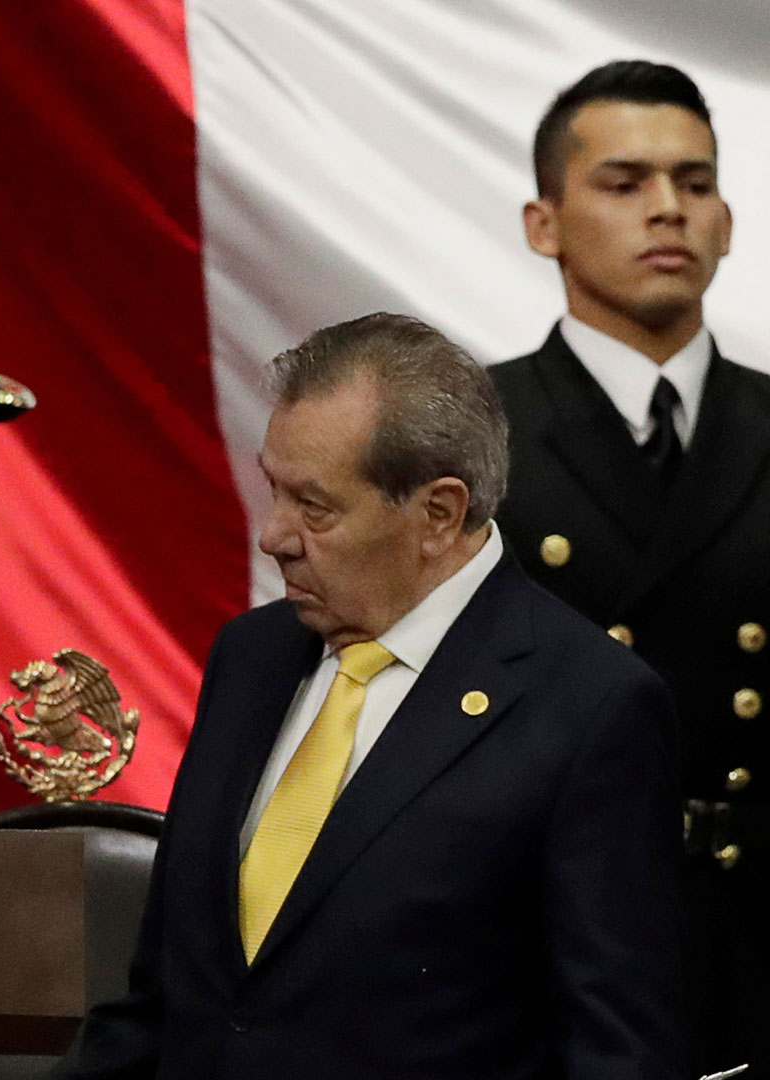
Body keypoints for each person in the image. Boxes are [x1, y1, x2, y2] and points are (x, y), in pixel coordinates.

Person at [59, 314, 682, 1078]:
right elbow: (160, 1002)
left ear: (438, 513)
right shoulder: (249, 658)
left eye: (313, 507)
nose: (274, 536)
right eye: (274, 491)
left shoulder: (591, 708)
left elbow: (617, 1053)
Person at [492, 59, 767, 1073]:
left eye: (695, 185)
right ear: (544, 222)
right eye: (624, 182)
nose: (669, 210)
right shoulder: (468, 440)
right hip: (540, 942)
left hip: (757, 939)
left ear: (728, 221)